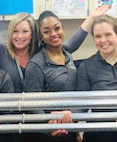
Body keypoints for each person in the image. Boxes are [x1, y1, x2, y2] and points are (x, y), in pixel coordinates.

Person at [76, 15, 117, 142]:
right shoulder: (86, 66)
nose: (103, 40)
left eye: (108, 35)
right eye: (98, 36)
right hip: (98, 133)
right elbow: (81, 105)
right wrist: (66, 116)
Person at [24, 11, 81, 142]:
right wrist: (49, 125)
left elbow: (75, 94)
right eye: (47, 31)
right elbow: (32, 103)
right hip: (48, 134)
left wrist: (74, 123)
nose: (54, 34)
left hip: (70, 129)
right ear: (41, 36)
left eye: (57, 28)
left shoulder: (68, 57)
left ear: (63, 28)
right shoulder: (36, 64)